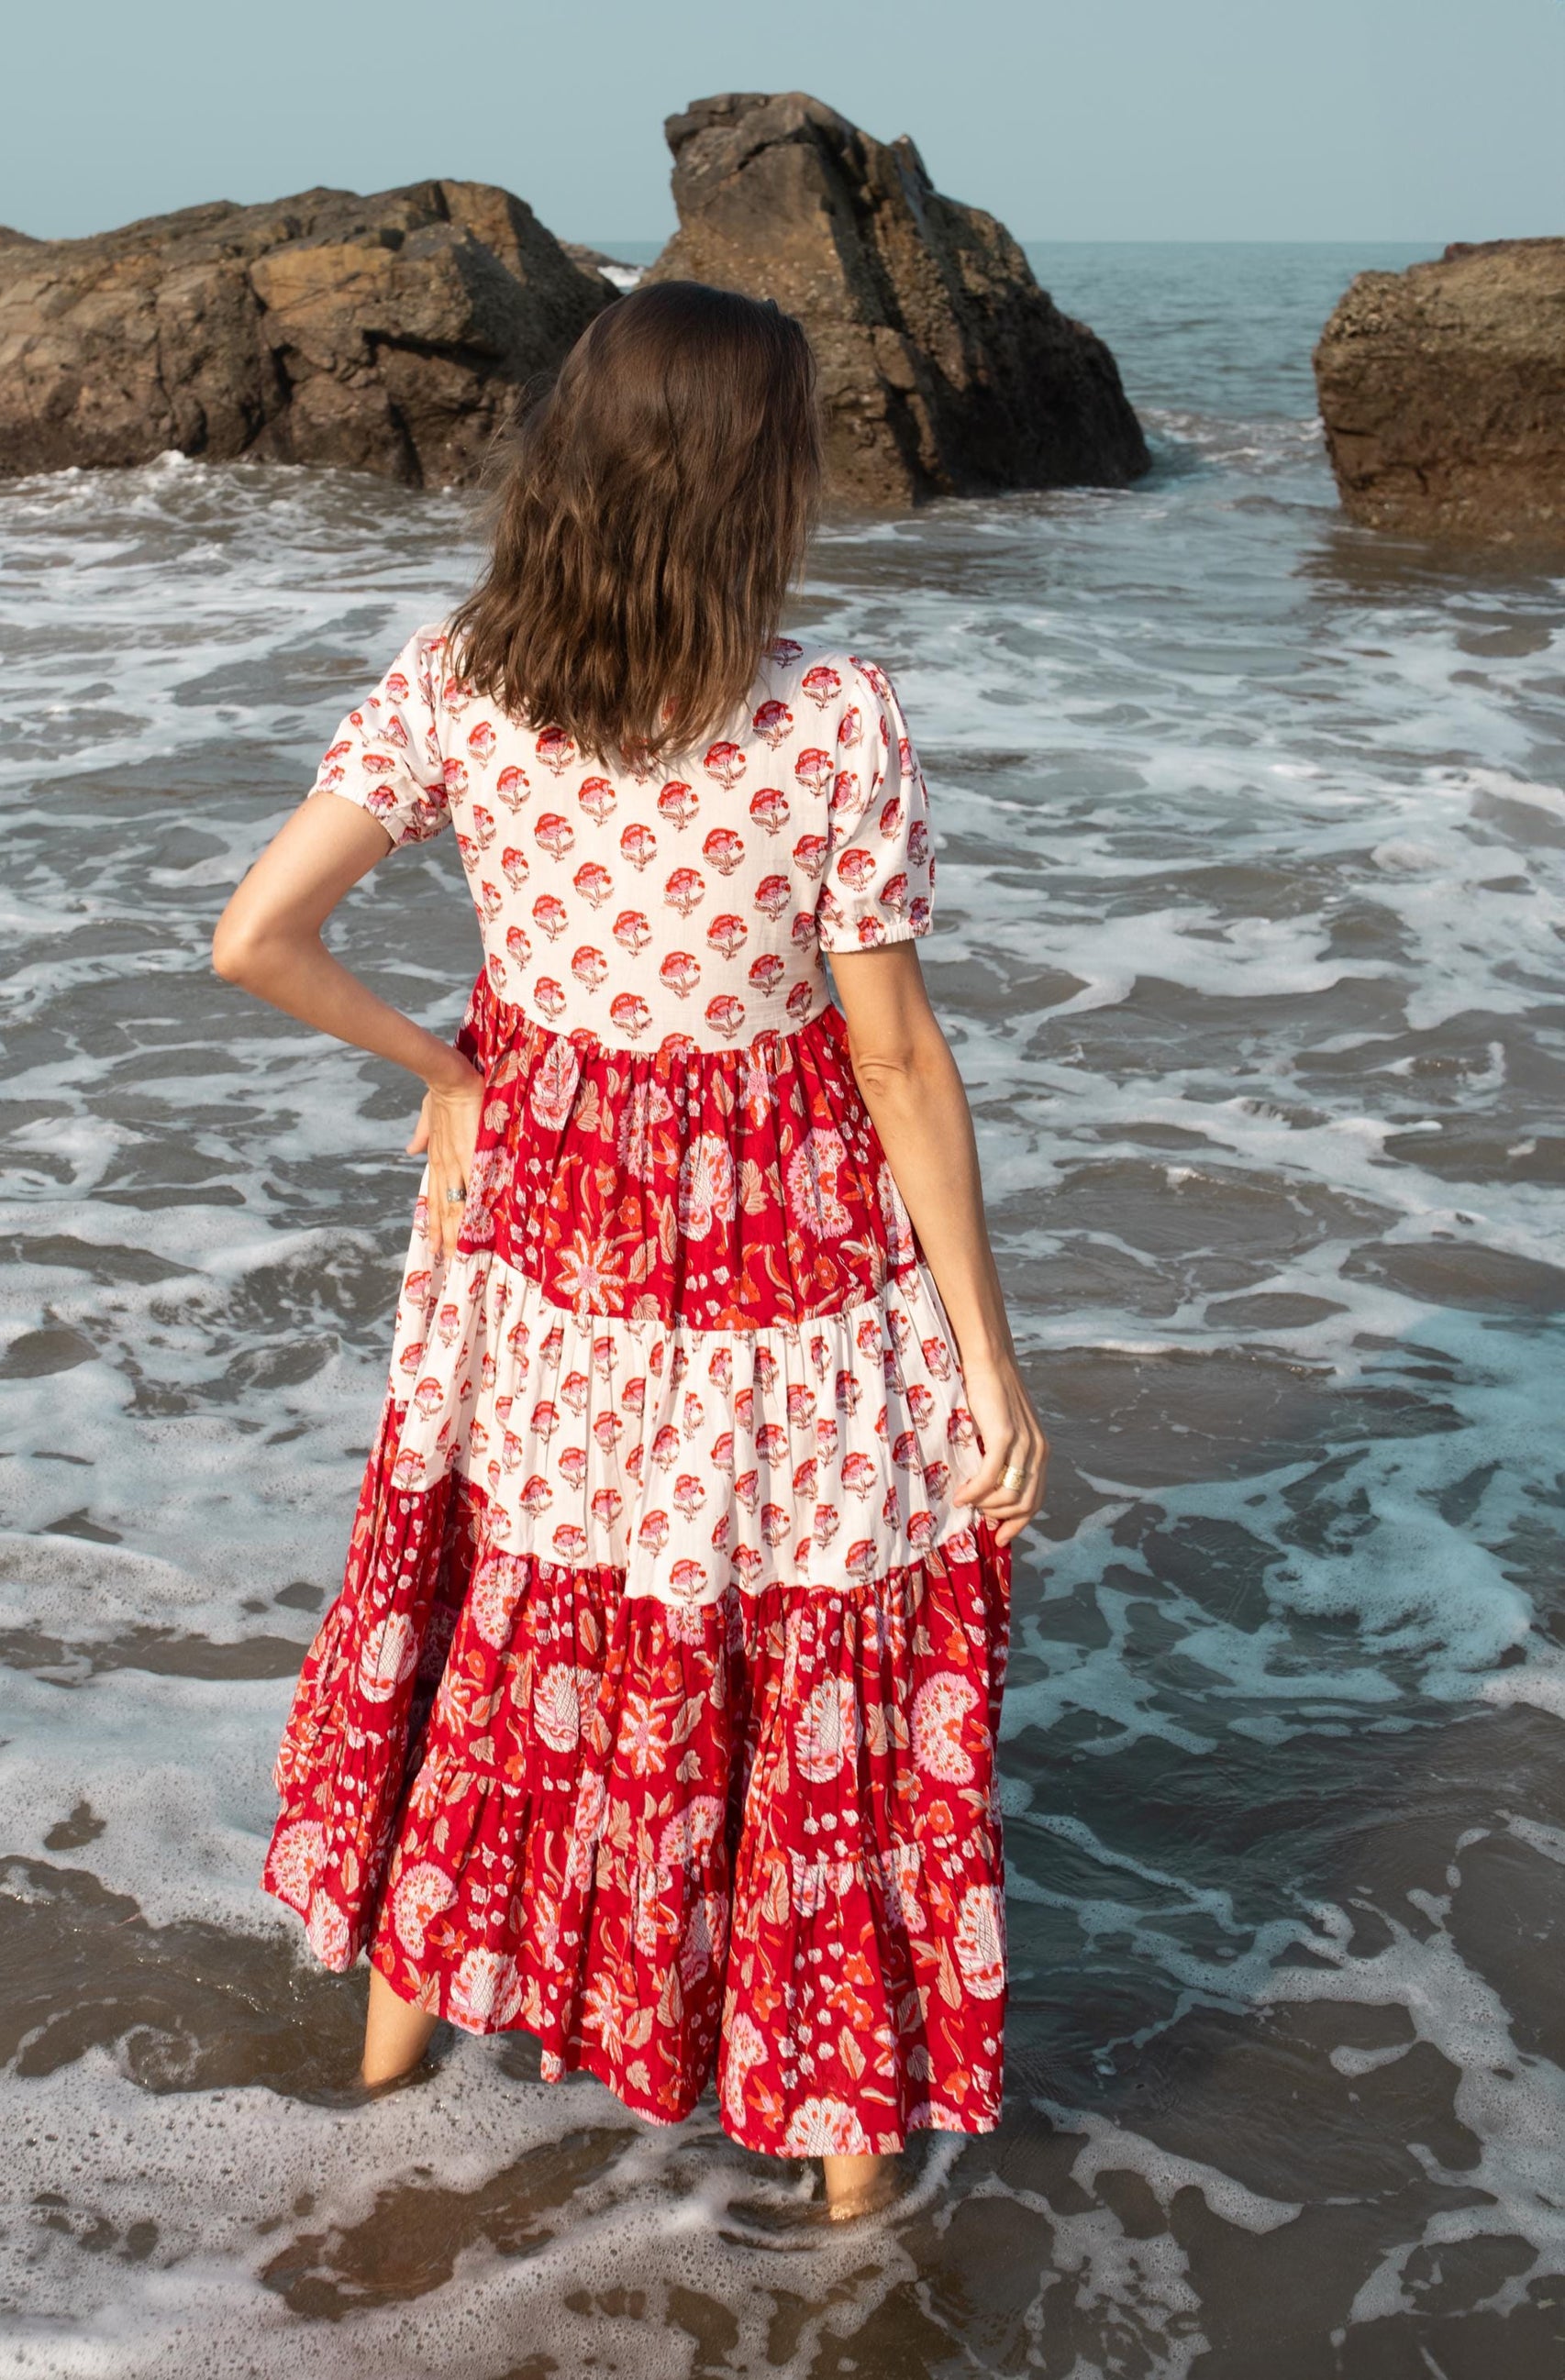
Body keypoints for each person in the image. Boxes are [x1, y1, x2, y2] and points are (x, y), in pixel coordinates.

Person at [211, 281, 1048, 2221]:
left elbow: (255, 938)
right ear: (763, 480)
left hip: (544, 1247)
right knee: (815, 1674)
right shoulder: (828, 714)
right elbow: (893, 1060)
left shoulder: (458, 679)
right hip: (784, 1267)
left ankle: (385, 2111)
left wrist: (455, 1073)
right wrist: (988, 1361)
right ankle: (848, 2217)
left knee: (512, 1624)